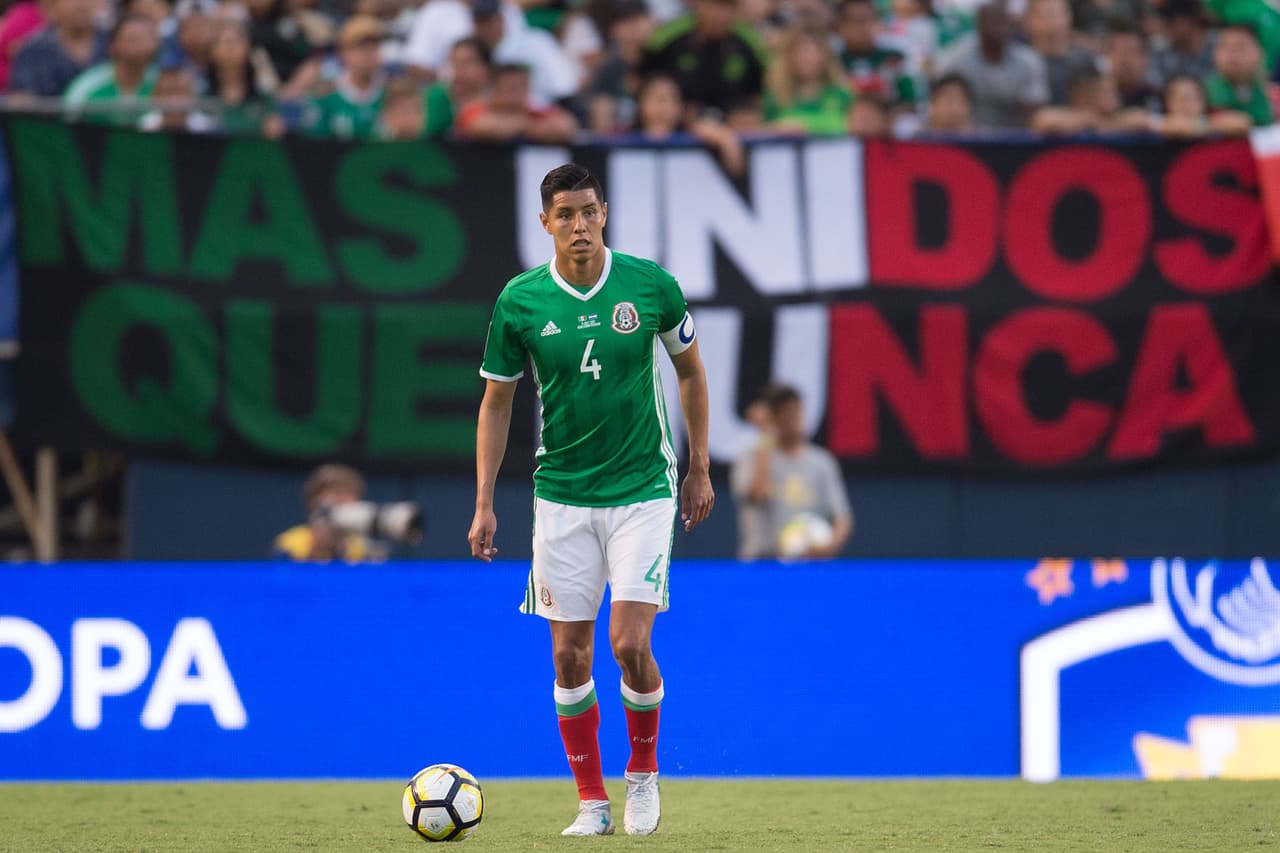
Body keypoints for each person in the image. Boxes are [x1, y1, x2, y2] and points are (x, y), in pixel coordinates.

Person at [469, 163, 713, 837]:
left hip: (642, 487)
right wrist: (485, 500)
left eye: (589, 212)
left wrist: (700, 465)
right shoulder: (520, 301)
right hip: (562, 496)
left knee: (628, 643)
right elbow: (496, 403)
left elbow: (690, 370)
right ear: (544, 223)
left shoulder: (650, 285)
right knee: (569, 657)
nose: (579, 225)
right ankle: (591, 802)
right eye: (565, 215)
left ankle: (640, 775)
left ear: (604, 212)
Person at [730, 384, 852, 561]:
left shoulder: (822, 462)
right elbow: (757, 494)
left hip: (810, 564)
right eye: (785, 414)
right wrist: (765, 437)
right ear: (772, 418)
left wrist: (828, 547)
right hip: (762, 563)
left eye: (796, 412)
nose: (793, 419)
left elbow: (842, 518)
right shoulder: (748, 459)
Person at [638, 0, 768, 128]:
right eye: (712, 6)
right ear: (698, 5)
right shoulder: (668, 36)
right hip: (678, 128)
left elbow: (758, 92)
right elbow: (642, 80)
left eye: (726, 7)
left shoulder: (751, 42)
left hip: (734, 128)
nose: (719, 15)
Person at [934, 0, 1048, 128]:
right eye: (991, 22)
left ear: (1011, 25)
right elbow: (942, 103)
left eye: (1002, 22)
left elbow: (1033, 111)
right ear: (979, 25)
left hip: (1016, 139)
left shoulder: (1029, 61)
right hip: (967, 137)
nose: (997, 29)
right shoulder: (957, 59)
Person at [62, 14, 159, 125]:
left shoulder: (162, 83)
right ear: (113, 46)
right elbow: (68, 122)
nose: (142, 46)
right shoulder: (87, 87)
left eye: (148, 39)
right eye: (133, 39)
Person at [273, 463, 378, 562]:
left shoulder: (362, 548)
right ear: (312, 501)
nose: (341, 500)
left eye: (348, 494)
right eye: (335, 492)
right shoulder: (290, 544)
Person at [304, 14, 387, 139]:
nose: (369, 54)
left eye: (375, 47)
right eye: (362, 47)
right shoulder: (324, 94)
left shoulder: (392, 92)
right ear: (344, 53)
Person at [453, 62, 578, 142]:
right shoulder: (476, 110)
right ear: (495, 88)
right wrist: (529, 126)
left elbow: (567, 127)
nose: (517, 93)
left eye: (522, 87)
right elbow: (483, 128)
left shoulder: (533, 112)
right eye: (511, 87)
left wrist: (522, 125)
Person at [764, 27, 853, 136]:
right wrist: (777, 128)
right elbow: (759, 130)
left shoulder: (843, 95)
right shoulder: (775, 97)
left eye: (813, 52)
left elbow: (857, 128)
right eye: (800, 52)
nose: (807, 59)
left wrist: (807, 126)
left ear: (825, 57)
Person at [7, 0, 107, 97]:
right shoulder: (32, 52)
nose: (81, 4)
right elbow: (20, 102)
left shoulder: (112, 45)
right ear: (53, 5)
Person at [836, 0, 917, 109]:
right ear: (840, 25)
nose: (863, 26)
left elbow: (910, 101)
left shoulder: (895, 57)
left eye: (869, 19)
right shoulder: (831, 60)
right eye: (857, 20)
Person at [1022, 0, 1096, 106]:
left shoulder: (1086, 58)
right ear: (1028, 21)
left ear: (1069, 16)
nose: (1052, 21)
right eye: (1044, 14)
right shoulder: (1021, 61)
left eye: (1056, 13)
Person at [1205, 22, 1273, 126]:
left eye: (1240, 47)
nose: (1232, 54)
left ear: (1259, 52)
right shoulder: (1202, 93)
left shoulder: (1273, 95)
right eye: (1225, 46)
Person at [421, 35, 490, 137]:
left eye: (467, 62)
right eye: (454, 62)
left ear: (485, 67)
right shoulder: (434, 98)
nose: (459, 69)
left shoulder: (501, 98)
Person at [1154, 71, 1251, 136]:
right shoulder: (1158, 122)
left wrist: (1199, 125)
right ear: (1167, 102)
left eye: (1192, 98)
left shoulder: (1211, 117)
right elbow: (1176, 126)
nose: (1187, 104)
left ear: (1203, 101)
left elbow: (1244, 121)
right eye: (1181, 98)